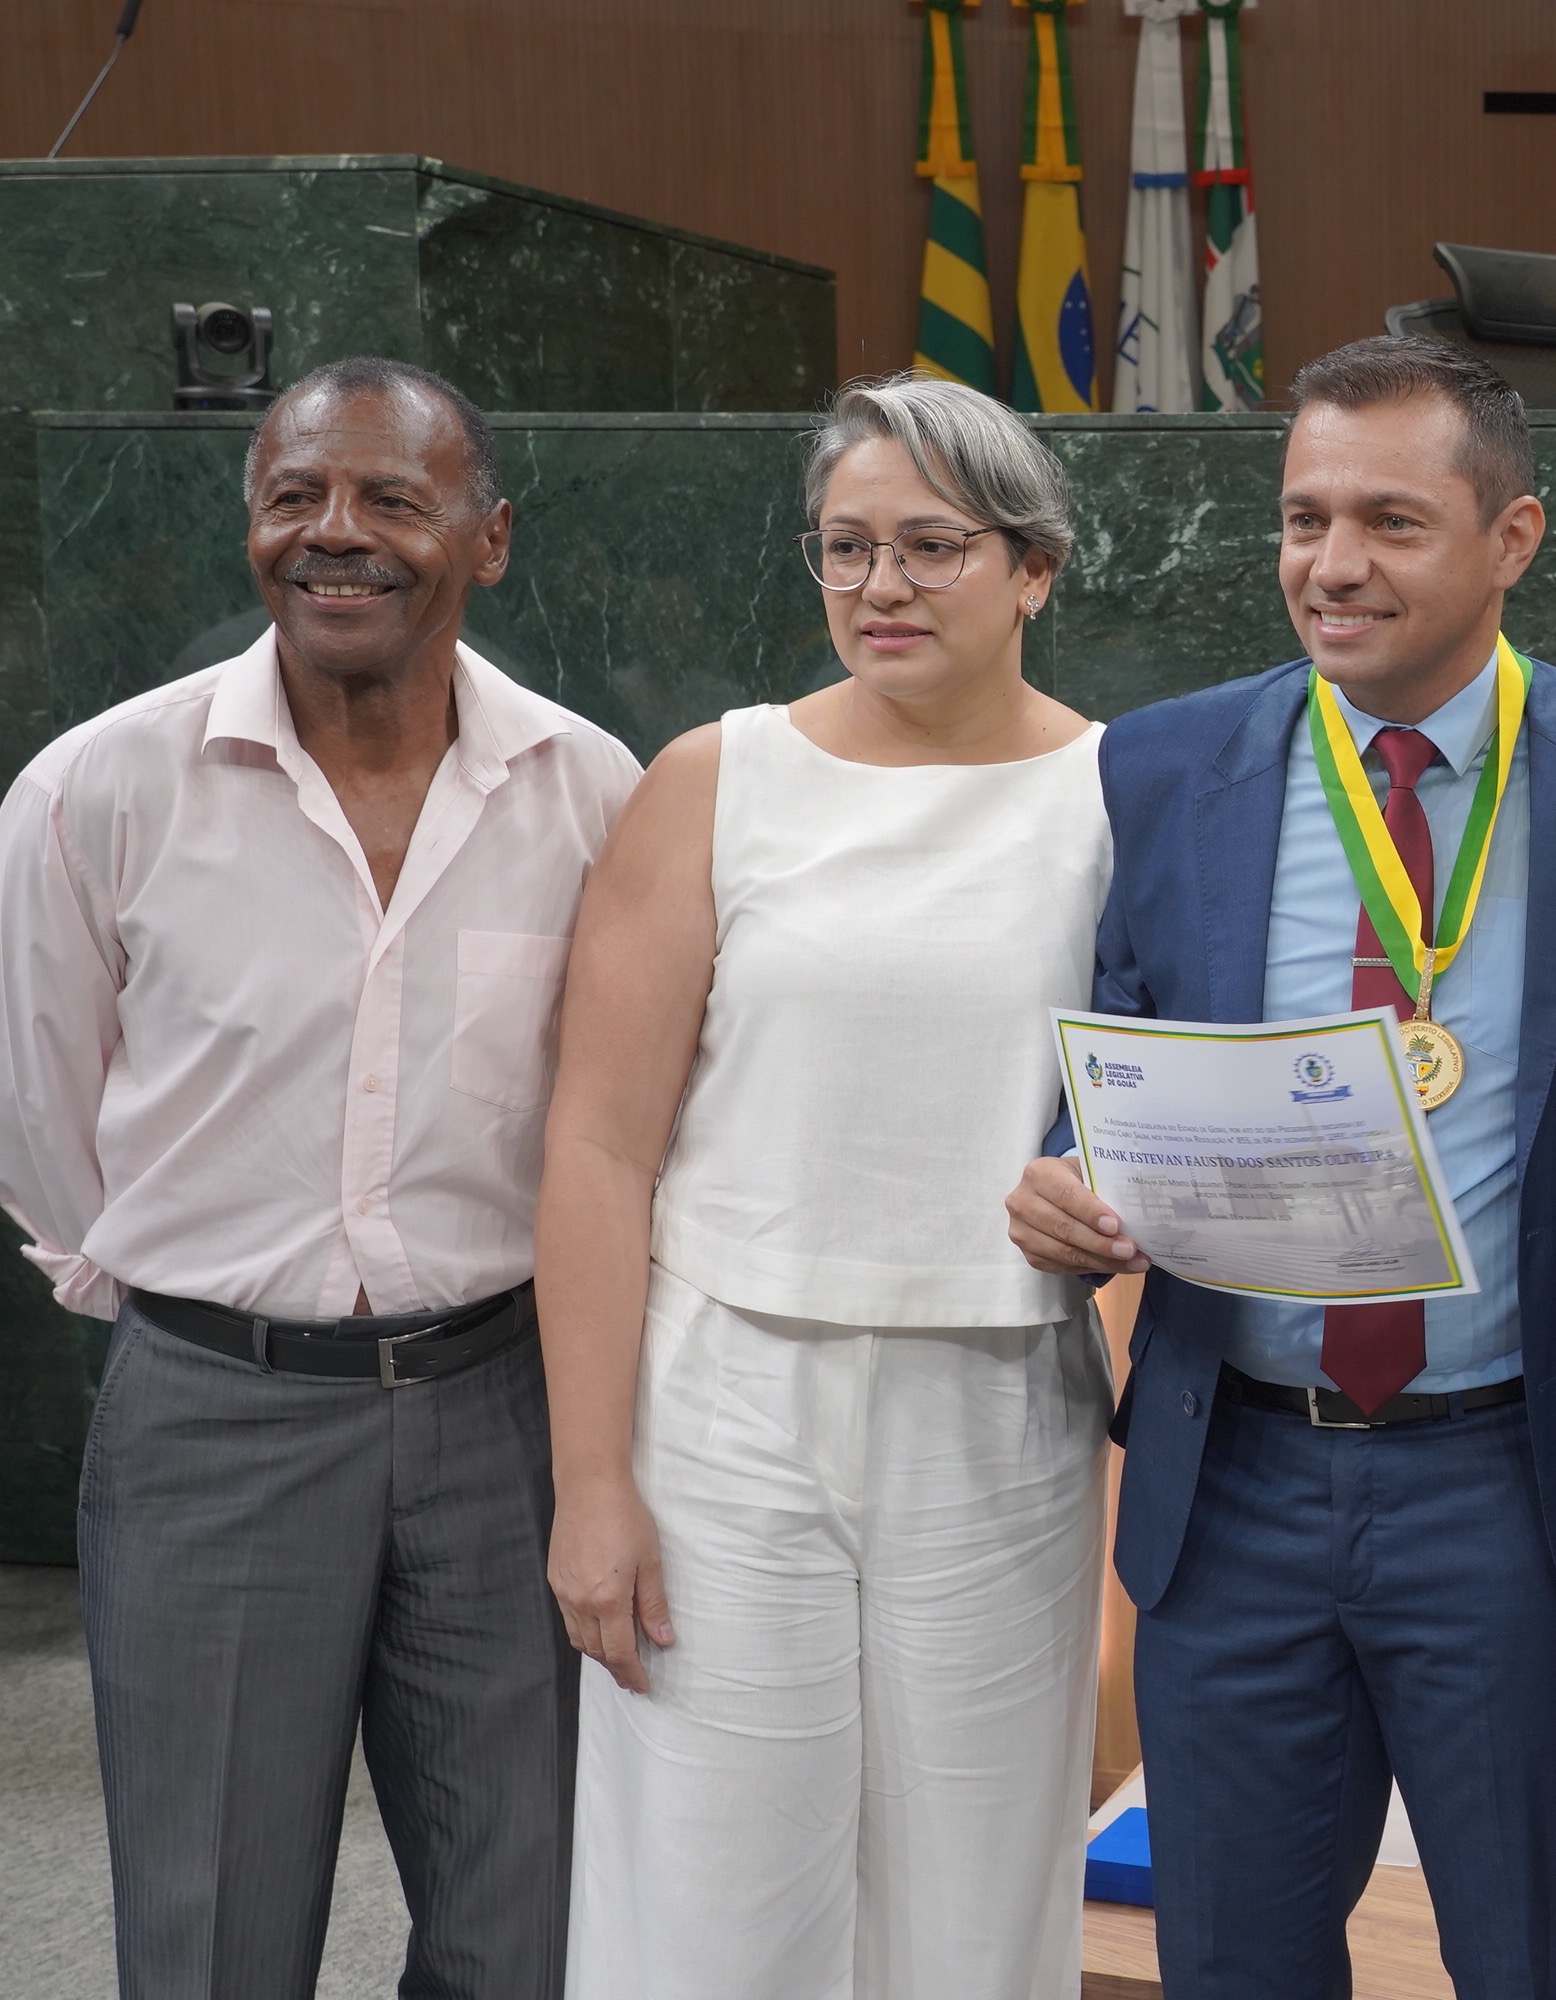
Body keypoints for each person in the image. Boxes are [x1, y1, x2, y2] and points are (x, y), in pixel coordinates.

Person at [1007, 334, 1556, 2000]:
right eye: (1304, 517)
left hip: (1515, 1491)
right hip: (1234, 1482)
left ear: (1512, 539)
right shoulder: (1165, 765)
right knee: (1233, 1964)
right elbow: (1122, 1042)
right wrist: (1065, 1175)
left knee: (1531, 1964)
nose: (1331, 563)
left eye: (1391, 521)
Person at [0, 357, 638, 1999]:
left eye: (390, 500)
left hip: (505, 1419)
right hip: (213, 1421)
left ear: (489, 538)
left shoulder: (591, 791)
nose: (333, 533)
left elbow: (620, 1121)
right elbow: (39, 1109)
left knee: (529, 1923)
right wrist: (185, 1309)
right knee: (212, 1933)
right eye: (294, 496)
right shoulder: (96, 789)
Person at [537, 374, 1113, 2000]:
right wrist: (590, 1483)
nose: (881, 586)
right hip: (724, 1404)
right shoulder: (716, 779)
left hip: (1003, 1402)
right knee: (709, 1901)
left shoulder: (1118, 796)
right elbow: (597, 1147)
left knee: (975, 1905)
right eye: (846, 547)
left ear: (1034, 569)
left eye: (932, 546)